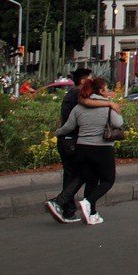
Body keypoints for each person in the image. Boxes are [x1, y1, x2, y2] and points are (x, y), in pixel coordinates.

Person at [45, 67, 116, 224]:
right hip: (73, 141)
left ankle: (68, 210)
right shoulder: (79, 95)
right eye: (90, 79)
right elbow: (87, 102)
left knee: (77, 174)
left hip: (67, 139)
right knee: (81, 175)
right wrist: (110, 104)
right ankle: (60, 203)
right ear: (83, 81)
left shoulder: (71, 94)